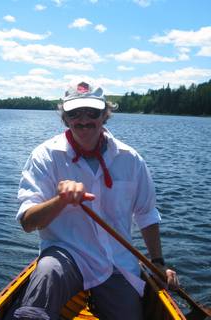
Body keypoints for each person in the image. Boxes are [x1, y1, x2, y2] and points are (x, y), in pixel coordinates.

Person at [11, 81, 179, 320]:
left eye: (92, 112)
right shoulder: (44, 156)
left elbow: (146, 213)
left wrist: (158, 262)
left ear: (105, 114)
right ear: (64, 117)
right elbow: (28, 223)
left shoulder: (130, 159)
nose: (83, 120)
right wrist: (60, 200)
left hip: (116, 263)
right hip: (66, 256)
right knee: (46, 274)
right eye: (74, 113)